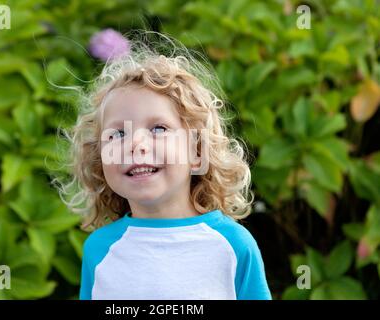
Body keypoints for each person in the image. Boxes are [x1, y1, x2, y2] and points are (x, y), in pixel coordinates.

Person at [57, 32, 271, 300]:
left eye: (158, 128)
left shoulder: (233, 246)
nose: (135, 144)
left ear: (196, 151)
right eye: (118, 134)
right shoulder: (99, 250)